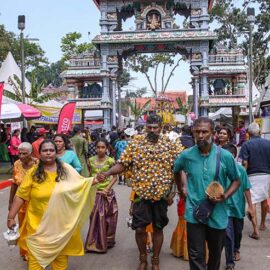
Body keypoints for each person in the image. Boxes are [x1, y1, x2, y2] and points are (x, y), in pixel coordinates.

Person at [97, 115, 182, 270]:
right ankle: (143, 259)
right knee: (140, 229)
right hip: (141, 195)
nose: (152, 130)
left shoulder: (171, 144)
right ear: (145, 127)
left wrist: (179, 190)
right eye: (149, 127)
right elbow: (122, 164)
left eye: (155, 127)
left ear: (161, 128)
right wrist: (107, 173)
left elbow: (180, 166)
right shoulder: (135, 143)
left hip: (161, 195)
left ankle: (155, 260)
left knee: (158, 228)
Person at [7, 139, 100, 270]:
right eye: (45, 150)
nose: (48, 153)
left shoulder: (66, 170)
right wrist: (11, 217)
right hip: (37, 228)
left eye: (51, 150)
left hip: (60, 227)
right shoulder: (32, 173)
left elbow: (80, 184)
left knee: (60, 263)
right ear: (39, 154)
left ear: (56, 153)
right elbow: (20, 196)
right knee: (35, 264)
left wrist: (95, 180)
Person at [174, 117, 240, 270]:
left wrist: (225, 195)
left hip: (218, 214)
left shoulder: (225, 156)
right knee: (196, 254)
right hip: (194, 212)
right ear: (193, 132)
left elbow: (236, 180)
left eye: (204, 131)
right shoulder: (186, 155)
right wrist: (181, 188)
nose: (201, 135)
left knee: (215, 254)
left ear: (212, 133)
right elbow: (176, 171)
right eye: (197, 132)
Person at [222, 144, 255, 270]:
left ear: (234, 156)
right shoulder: (219, 169)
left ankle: (236, 249)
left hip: (238, 208)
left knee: (237, 233)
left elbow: (246, 188)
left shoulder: (240, 170)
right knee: (228, 235)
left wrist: (251, 207)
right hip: (225, 209)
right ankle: (230, 263)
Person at [85, 138, 118, 253]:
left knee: (108, 218)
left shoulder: (111, 161)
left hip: (106, 193)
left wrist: (107, 189)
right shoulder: (90, 160)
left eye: (103, 147)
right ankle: (94, 242)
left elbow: (115, 177)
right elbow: (89, 176)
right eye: (98, 147)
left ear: (107, 148)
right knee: (95, 218)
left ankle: (107, 241)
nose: (100, 149)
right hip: (94, 193)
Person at [239, 122, 270, 237]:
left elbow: (244, 162)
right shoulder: (268, 143)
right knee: (264, 198)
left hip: (252, 175)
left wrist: (243, 177)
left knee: (253, 203)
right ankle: (262, 224)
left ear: (248, 134)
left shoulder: (246, 145)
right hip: (267, 175)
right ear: (260, 132)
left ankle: (255, 230)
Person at [8, 142, 38, 260]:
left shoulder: (38, 164)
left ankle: (37, 250)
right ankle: (26, 252)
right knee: (23, 228)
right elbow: (14, 184)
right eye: (19, 153)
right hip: (21, 202)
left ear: (31, 153)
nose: (21, 156)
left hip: (36, 202)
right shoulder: (17, 164)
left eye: (24, 153)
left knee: (35, 228)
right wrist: (11, 202)